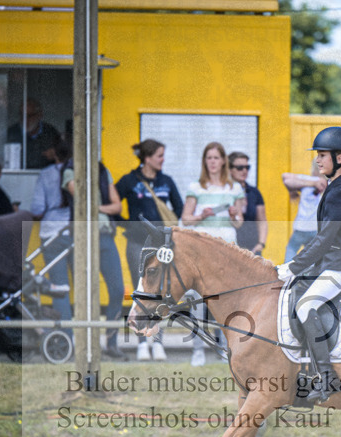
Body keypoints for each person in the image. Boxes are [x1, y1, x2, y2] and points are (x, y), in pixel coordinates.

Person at [276, 126, 341, 404]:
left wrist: (293, 266)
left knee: (305, 306)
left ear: (340, 158)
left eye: (322, 155)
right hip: (333, 261)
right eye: (318, 155)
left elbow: (324, 239)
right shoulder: (336, 187)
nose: (317, 160)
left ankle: (327, 378)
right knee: (295, 293)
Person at [115, 139, 184, 361]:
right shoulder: (129, 180)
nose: (163, 159)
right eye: (159, 155)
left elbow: (179, 208)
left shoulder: (166, 181)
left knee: (160, 293)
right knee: (141, 291)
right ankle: (142, 343)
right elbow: (112, 203)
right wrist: (127, 224)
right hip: (137, 243)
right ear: (147, 157)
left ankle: (158, 342)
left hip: (162, 245)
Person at [181, 142, 246, 366]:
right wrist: (201, 215)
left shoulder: (234, 188)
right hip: (202, 251)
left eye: (216, 158)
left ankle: (223, 349)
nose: (212, 162)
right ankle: (198, 350)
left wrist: (234, 214)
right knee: (198, 301)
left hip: (226, 251)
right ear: (204, 161)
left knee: (224, 301)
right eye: (208, 158)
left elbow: (239, 223)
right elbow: (185, 219)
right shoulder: (196, 187)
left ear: (223, 161)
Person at [62, 159, 127, 360]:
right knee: (85, 292)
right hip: (82, 237)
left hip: (105, 235)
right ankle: (87, 345)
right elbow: (83, 199)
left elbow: (117, 206)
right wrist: (102, 206)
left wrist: (99, 208)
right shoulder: (70, 171)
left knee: (117, 289)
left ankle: (111, 342)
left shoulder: (103, 171)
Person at [29, 136, 73, 323]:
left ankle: (65, 333)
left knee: (58, 286)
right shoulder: (79, 174)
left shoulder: (45, 175)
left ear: (55, 153)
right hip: (75, 232)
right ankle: (85, 332)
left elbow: (37, 209)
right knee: (84, 284)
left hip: (51, 233)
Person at [282, 163, 326, 262]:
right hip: (315, 227)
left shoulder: (308, 180)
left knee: (292, 248)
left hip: (301, 226)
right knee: (311, 253)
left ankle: (286, 267)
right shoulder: (327, 183)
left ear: (314, 170)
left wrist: (292, 190)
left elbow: (285, 177)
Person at [228, 151, 268, 255]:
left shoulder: (253, 192)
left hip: (252, 249)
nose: (244, 171)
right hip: (229, 247)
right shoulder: (224, 192)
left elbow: (262, 220)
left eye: (247, 167)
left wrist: (261, 243)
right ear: (229, 169)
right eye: (240, 168)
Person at [7, 98, 60, 170]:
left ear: (40, 115)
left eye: (29, 116)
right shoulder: (12, 133)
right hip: (18, 174)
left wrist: (56, 154)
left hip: (45, 173)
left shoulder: (50, 132)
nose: (25, 120)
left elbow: (63, 156)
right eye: (22, 116)